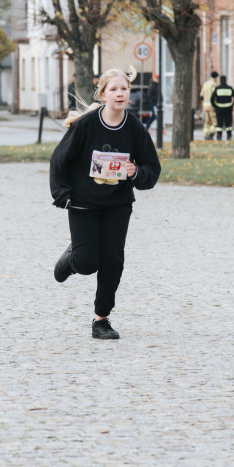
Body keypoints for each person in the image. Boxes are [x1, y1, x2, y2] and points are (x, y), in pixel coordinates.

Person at [50, 67, 161, 340]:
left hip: (117, 205)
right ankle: (73, 259)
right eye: (113, 89)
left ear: (129, 94)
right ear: (103, 95)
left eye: (124, 89)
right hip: (83, 203)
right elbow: (59, 160)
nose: (119, 93)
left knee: (113, 260)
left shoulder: (134, 127)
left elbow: (152, 166)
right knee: (88, 262)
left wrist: (138, 172)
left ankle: (101, 320)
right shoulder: (86, 125)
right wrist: (62, 194)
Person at [211, 75, 234, 141]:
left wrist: (215, 105)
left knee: (219, 122)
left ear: (220, 80)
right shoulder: (229, 88)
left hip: (219, 109)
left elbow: (212, 98)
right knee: (228, 123)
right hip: (228, 108)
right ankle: (229, 135)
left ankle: (219, 135)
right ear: (226, 80)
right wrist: (233, 104)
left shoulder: (217, 88)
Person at [200, 70, 218, 140]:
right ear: (216, 77)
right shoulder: (214, 84)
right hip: (212, 106)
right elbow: (215, 96)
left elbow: (201, 95)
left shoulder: (205, 84)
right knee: (215, 123)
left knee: (207, 122)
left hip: (205, 106)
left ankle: (205, 135)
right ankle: (211, 134)